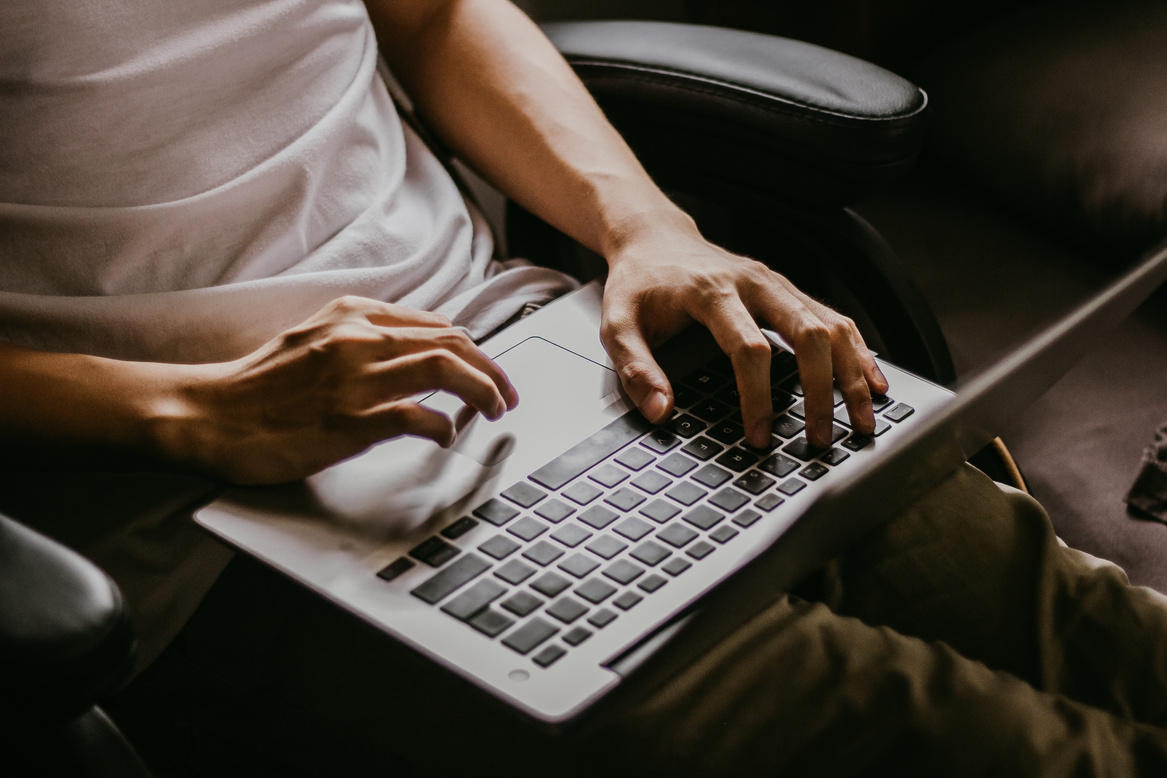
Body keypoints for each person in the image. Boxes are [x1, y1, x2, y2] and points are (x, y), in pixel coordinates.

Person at [3, 0, 1167, 775]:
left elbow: (437, 11)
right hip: (210, 523)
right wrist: (192, 411)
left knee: (1107, 638)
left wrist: (647, 229)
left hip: (543, 356)